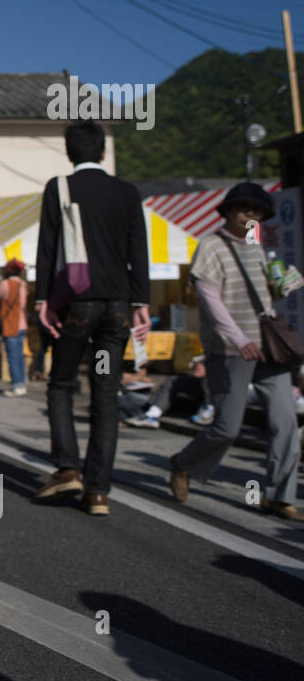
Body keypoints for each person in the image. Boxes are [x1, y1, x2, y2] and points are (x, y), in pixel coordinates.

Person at [33, 121, 149, 517]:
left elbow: (47, 247)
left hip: (76, 307)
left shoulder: (59, 188)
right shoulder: (127, 193)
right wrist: (142, 301)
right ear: (103, 152)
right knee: (105, 393)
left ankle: (68, 468)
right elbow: (139, 248)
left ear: (69, 153)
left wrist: (43, 299)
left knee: (62, 383)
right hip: (115, 309)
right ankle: (98, 492)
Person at [168, 183, 302, 521]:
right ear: (227, 211)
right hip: (230, 349)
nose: (250, 216)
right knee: (227, 427)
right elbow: (211, 302)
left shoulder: (257, 247)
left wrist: (281, 286)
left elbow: (264, 295)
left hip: (268, 346)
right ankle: (182, 464)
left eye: (256, 211)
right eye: (244, 209)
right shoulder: (210, 247)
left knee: (285, 421)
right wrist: (239, 339)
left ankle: (279, 496)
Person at [0, 259, 29, 396]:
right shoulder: (23, 284)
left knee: (13, 356)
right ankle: (21, 382)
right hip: (22, 323)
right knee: (20, 355)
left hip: (10, 324)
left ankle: (16, 385)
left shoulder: (5, 284)